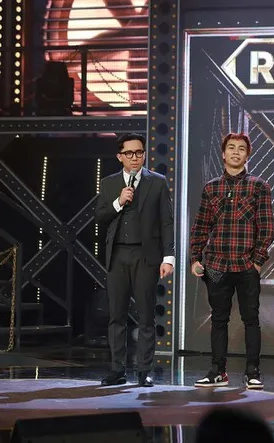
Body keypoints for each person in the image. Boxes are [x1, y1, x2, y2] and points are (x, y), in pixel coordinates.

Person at [189, 133, 274, 389]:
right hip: (216, 265)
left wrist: (257, 262)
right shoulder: (211, 188)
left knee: (251, 319)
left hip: (246, 265)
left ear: (247, 155)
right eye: (231, 148)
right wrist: (195, 258)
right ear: (223, 154)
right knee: (218, 319)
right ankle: (218, 371)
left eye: (241, 149)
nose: (236, 152)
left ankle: (252, 372)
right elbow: (201, 226)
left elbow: (266, 228)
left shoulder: (259, 186)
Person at [95, 133, 174, 387]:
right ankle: (117, 370)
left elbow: (167, 222)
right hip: (117, 255)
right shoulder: (109, 183)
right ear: (120, 156)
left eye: (139, 152)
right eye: (129, 153)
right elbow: (100, 217)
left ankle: (143, 371)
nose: (135, 158)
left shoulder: (157, 182)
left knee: (146, 316)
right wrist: (119, 202)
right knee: (116, 315)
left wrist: (168, 257)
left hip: (145, 256)